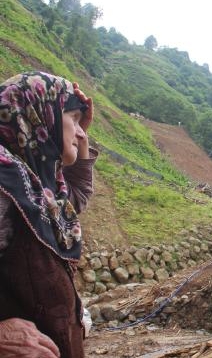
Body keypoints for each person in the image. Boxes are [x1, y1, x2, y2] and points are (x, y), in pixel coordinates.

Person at [0, 71, 96, 357]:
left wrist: (82, 135)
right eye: (74, 120)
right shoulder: (5, 187)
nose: (80, 132)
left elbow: (77, 196)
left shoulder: (37, 186)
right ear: (41, 117)